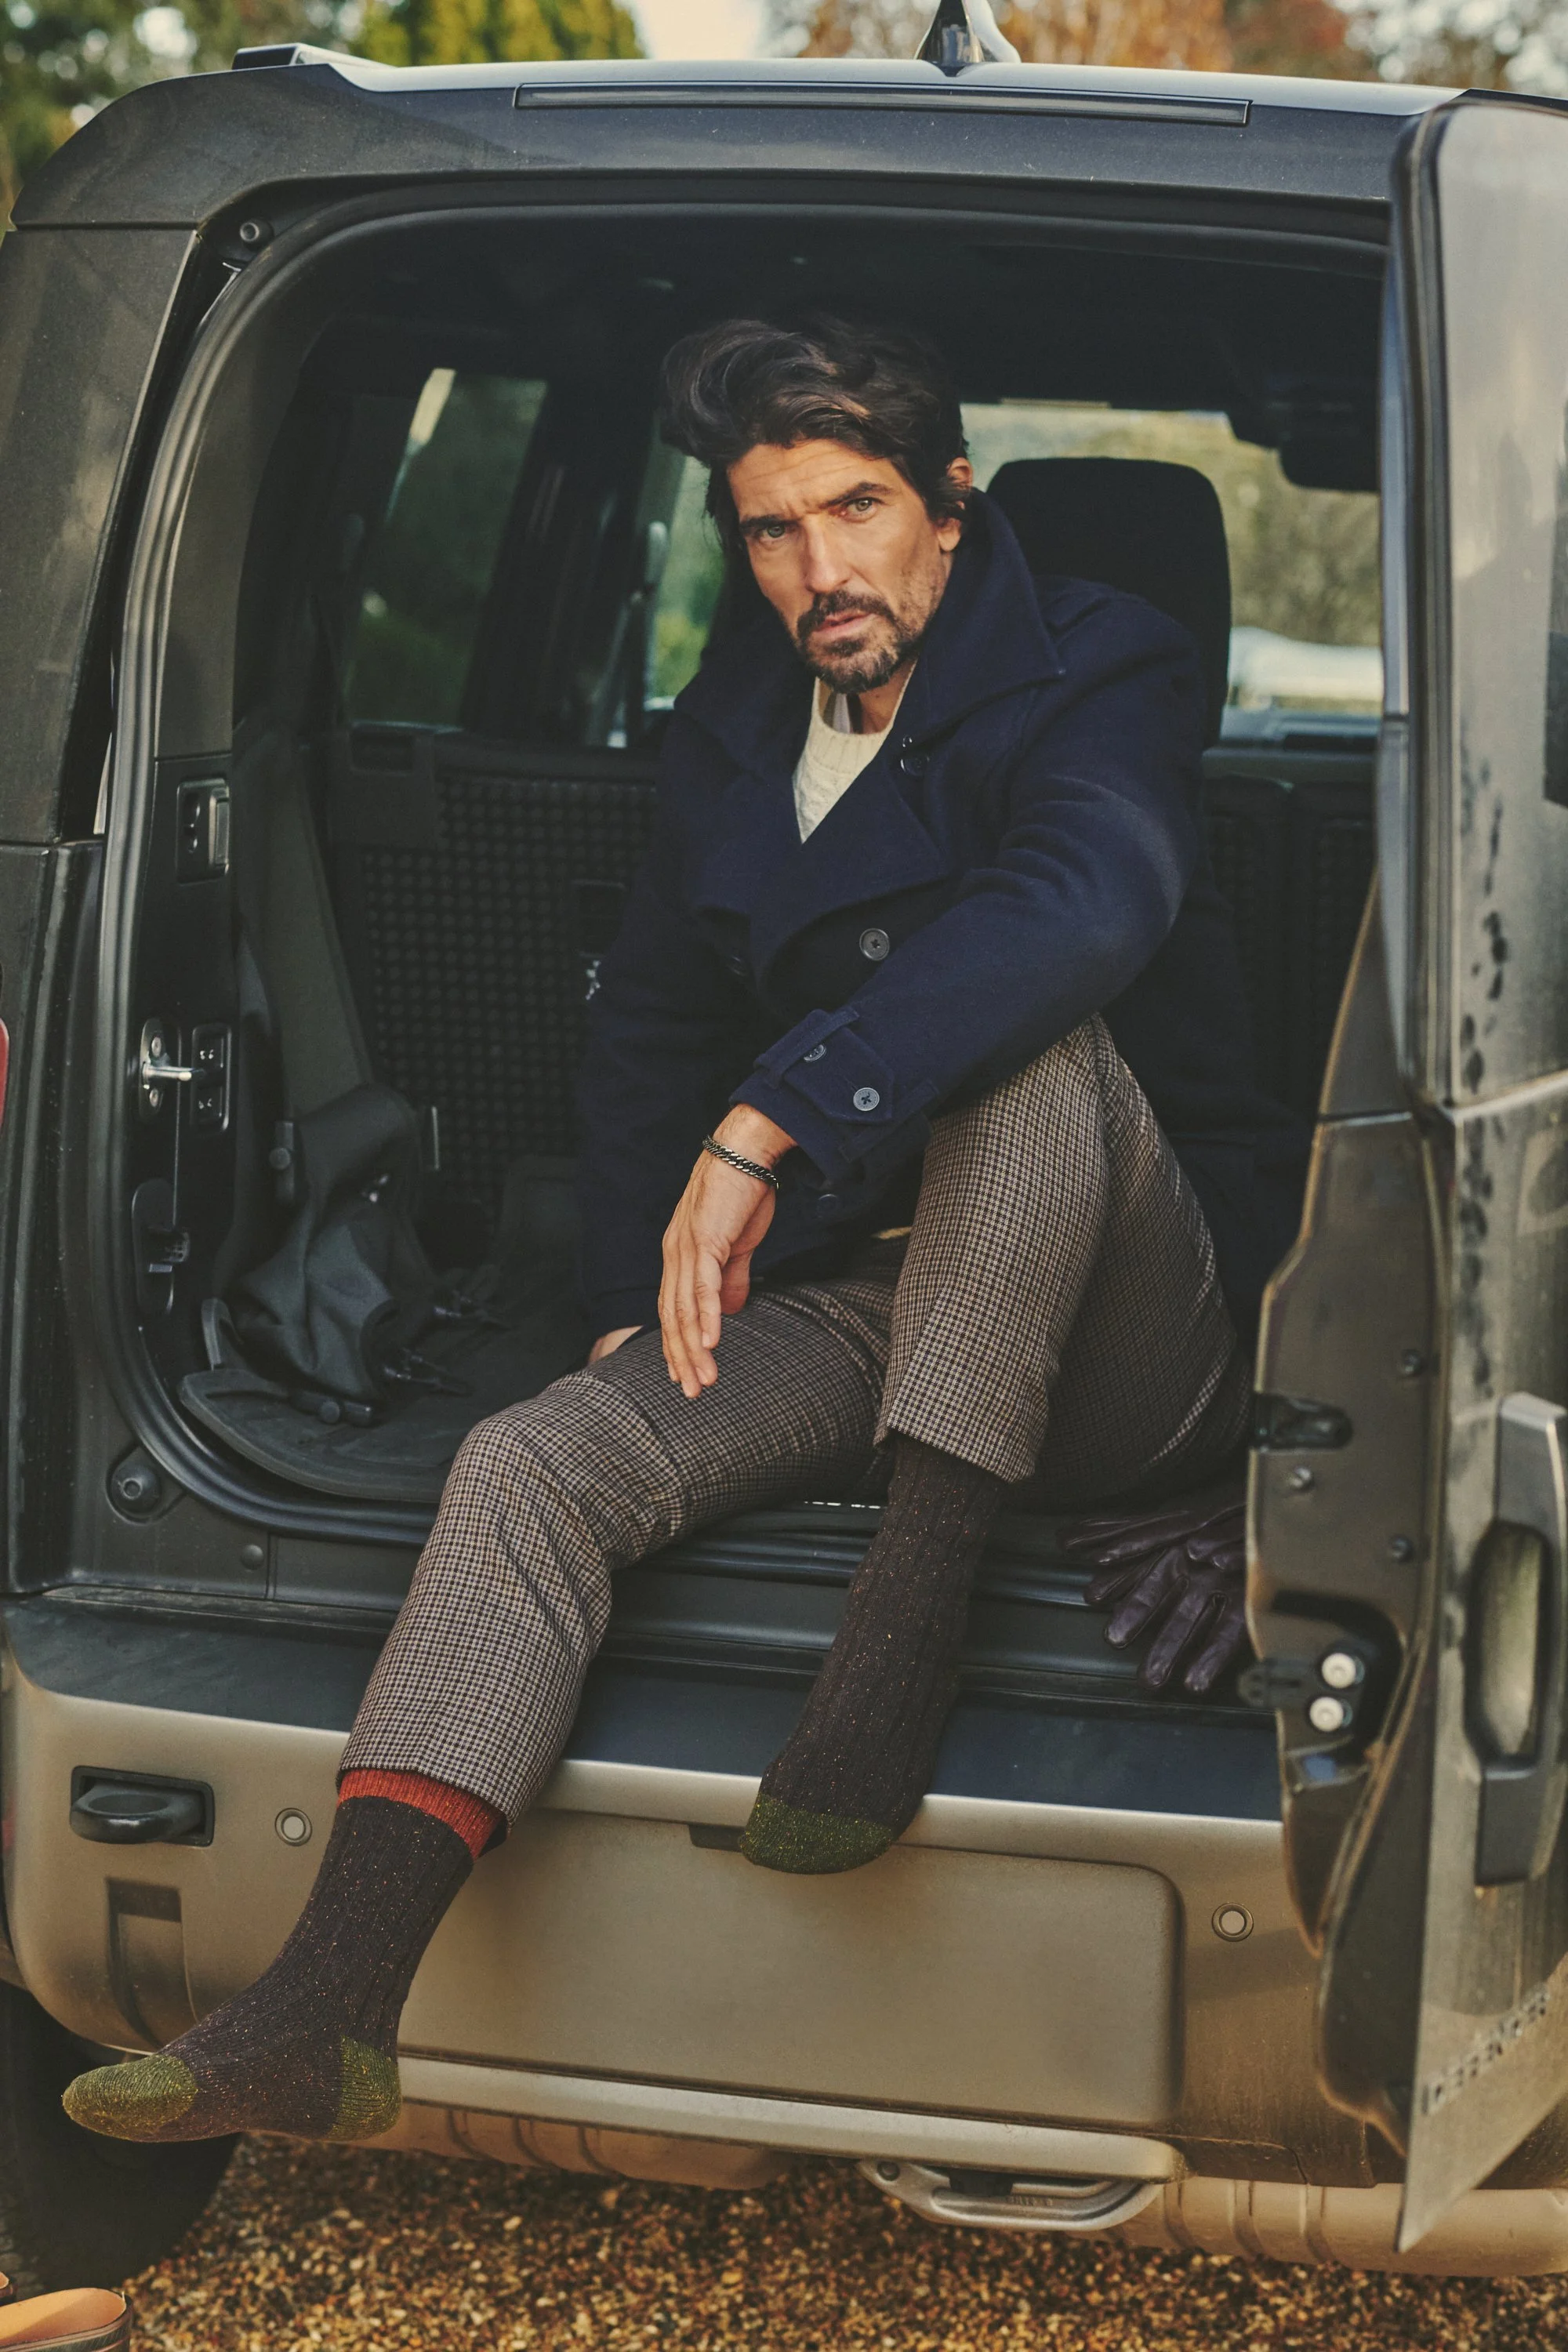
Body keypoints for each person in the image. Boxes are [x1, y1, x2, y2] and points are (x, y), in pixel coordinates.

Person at [64, 314, 1305, 2150]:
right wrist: (611, 1310)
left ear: (951, 503)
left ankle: (899, 1639)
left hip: (1132, 1331)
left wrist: (771, 1117)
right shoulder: (736, 726)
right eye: (770, 528)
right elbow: (647, 1022)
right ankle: (323, 2009)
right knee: (534, 1462)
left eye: (858, 508)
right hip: (869, 1292)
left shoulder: (1104, 663)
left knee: (1023, 1042)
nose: (819, 568)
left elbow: (1080, 900)